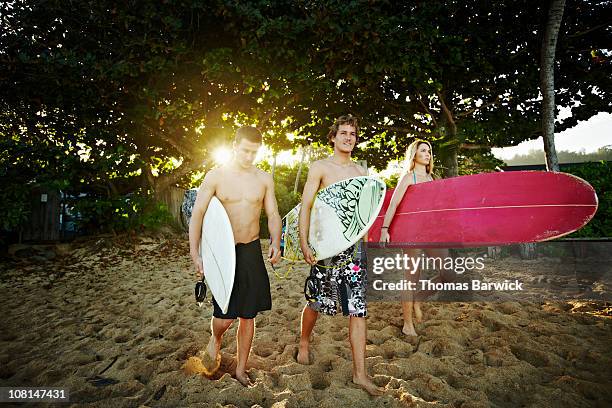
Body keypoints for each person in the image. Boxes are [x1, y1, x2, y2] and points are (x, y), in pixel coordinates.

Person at [297, 114, 384, 396]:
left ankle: (360, 374)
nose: (349, 138)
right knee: (316, 303)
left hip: (355, 250)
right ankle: (304, 342)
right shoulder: (320, 167)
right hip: (325, 247)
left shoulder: (362, 174)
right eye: (344, 133)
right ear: (333, 137)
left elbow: (365, 216)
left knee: (358, 310)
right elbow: (306, 207)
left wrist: (368, 245)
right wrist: (305, 243)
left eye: (353, 134)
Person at [188, 126, 282, 386]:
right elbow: (197, 215)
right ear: (234, 146)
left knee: (248, 314)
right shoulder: (215, 177)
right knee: (225, 316)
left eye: (254, 152)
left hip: (251, 249)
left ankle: (241, 368)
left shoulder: (264, 179)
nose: (249, 156)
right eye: (245, 151)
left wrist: (276, 241)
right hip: (222, 252)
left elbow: (272, 214)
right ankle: (215, 339)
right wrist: (196, 253)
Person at [379, 139, 451, 337]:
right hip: (412, 233)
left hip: (432, 233)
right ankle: (407, 324)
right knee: (411, 278)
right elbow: (393, 205)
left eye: (429, 151)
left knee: (448, 274)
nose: (428, 154)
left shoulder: (432, 179)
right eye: (423, 151)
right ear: (414, 155)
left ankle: (419, 297)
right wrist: (385, 229)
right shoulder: (409, 178)